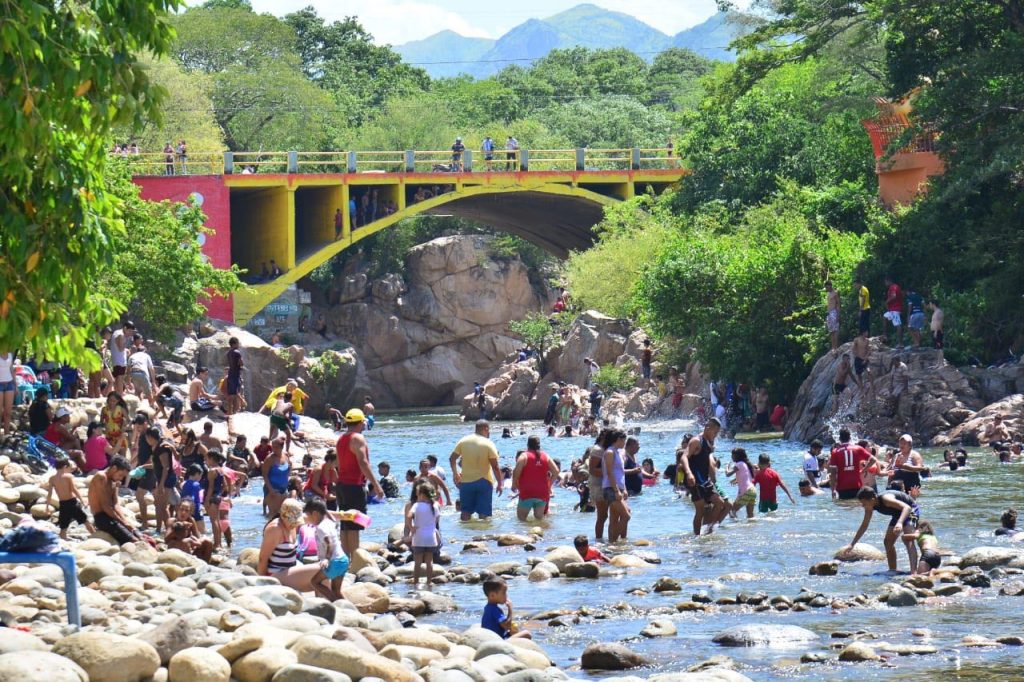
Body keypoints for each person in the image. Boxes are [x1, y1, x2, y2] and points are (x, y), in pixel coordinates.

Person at [335, 408, 384, 556]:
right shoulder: (358, 438)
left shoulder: (341, 438)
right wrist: (376, 485)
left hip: (341, 485)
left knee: (345, 523)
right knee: (354, 523)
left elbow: (338, 463)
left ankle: (345, 557)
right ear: (361, 422)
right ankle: (355, 557)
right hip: (354, 486)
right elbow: (363, 463)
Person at [258, 498, 332, 594]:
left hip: (288, 573)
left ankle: (324, 604)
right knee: (322, 570)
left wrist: (346, 516)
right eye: (292, 521)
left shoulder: (291, 524)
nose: (295, 524)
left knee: (323, 567)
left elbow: (319, 515)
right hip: (274, 576)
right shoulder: (275, 529)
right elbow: (262, 559)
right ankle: (329, 603)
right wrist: (262, 584)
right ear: (283, 516)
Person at [844, 486, 920, 572]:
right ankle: (892, 571)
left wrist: (899, 523)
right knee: (887, 542)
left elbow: (907, 508)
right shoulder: (870, 507)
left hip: (910, 509)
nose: (862, 506)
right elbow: (864, 525)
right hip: (897, 514)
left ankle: (914, 573)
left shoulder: (886, 499)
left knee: (908, 539)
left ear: (872, 499)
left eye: (864, 503)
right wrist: (852, 544)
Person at [680, 418, 728, 535]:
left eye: (717, 433)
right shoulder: (696, 441)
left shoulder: (709, 442)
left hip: (705, 480)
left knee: (720, 503)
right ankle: (697, 537)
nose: (716, 435)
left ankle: (708, 531)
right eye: (715, 432)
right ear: (707, 428)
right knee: (700, 510)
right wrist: (689, 473)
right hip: (694, 480)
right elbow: (684, 457)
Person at [88, 457, 151, 546]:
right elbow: (105, 506)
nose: (121, 479)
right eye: (120, 475)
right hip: (101, 517)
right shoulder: (101, 477)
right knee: (134, 541)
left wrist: (126, 521)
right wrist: (123, 522)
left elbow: (116, 504)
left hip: (112, 515)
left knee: (138, 534)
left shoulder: (114, 482)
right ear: (114, 468)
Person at [450, 420, 503, 521]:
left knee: (465, 513)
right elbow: (495, 466)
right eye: (488, 430)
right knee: (484, 515)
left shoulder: (463, 441)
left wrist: (455, 474)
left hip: (466, 483)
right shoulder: (489, 443)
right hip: (484, 482)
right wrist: (500, 483)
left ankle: (465, 535)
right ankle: (484, 535)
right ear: (486, 429)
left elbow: (452, 459)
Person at [303, 497, 348, 601]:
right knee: (336, 590)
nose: (307, 520)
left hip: (334, 561)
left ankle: (335, 604)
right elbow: (327, 513)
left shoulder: (320, 528)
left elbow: (330, 543)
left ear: (315, 514)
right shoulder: (330, 521)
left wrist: (326, 559)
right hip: (343, 560)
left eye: (308, 516)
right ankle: (349, 608)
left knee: (315, 582)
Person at [511, 436, 559, 522]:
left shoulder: (524, 456)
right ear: (539, 445)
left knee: (521, 520)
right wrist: (549, 485)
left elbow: (516, 471)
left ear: (528, 444)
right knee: (539, 520)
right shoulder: (546, 456)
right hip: (542, 493)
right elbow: (556, 471)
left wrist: (514, 484)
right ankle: (539, 534)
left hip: (527, 492)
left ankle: (526, 534)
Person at [46, 459, 95, 540]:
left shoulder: (52, 479)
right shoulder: (68, 476)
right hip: (72, 503)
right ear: (65, 467)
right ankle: (95, 536)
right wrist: (82, 501)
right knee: (85, 520)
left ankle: (63, 539)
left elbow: (49, 494)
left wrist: (47, 506)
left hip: (63, 504)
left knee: (63, 525)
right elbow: (74, 489)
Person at [408, 481, 442, 586]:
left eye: (418, 494)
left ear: (422, 495)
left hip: (418, 537)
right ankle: (429, 582)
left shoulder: (416, 505)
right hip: (431, 538)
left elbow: (409, 516)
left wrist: (411, 527)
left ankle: (416, 581)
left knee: (417, 562)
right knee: (429, 561)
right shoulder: (435, 506)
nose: (417, 496)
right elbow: (437, 519)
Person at [828, 428, 876, 500]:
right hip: (856, 485)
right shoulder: (858, 448)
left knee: (844, 508)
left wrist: (833, 490)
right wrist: (863, 470)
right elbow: (873, 460)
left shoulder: (835, 452)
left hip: (842, 487)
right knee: (855, 507)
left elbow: (833, 473)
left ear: (840, 439)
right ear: (850, 438)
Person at [601, 429, 631, 542]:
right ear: (619, 439)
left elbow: (621, 472)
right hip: (611, 488)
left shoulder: (618, 452)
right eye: (624, 440)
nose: (625, 443)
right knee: (626, 515)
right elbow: (609, 472)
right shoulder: (610, 452)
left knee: (614, 519)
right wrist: (616, 490)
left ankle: (618, 543)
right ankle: (613, 541)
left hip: (619, 487)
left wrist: (625, 489)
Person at [44, 407, 87, 471]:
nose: (69, 417)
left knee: (76, 441)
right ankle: (86, 468)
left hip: (54, 448)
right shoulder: (60, 426)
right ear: (62, 418)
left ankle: (79, 465)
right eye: (68, 416)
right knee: (79, 451)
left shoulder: (56, 425)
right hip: (55, 451)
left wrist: (74, 429)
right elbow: (71, 437)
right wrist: (75, 433)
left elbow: (67, 437)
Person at [261, 437, 292, 519]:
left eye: (276, 447)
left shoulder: (286, 456)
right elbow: (264, 475)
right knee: (273, 514)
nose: (274, 449)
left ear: (282, 447)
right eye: (273, 447)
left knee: (283, 514)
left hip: (283, 489)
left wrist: (287, 480)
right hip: (271, 489)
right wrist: (271, 490)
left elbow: (289, 468)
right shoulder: (269, 459)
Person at [727, 448, 757, 518]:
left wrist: (727, 467)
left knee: (732, 510)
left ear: (737, 456)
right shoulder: (745, 464)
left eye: (733, 455)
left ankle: (736, 527)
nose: (731, 456)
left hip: (746, 491)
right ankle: (751, 528)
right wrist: (736, 480)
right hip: (753, 490)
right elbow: (745, 476)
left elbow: (728, 474)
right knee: (750, 516)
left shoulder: (739, 464)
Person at [128, 343, 157, 409]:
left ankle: (138, 408)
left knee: (138, 392)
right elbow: (151, 369)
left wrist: (129, 381)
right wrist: (153, 382)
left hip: (134, 373)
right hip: (143, 373)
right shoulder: (146, 355)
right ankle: (153, 411)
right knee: (149, 394)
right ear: (144, 351)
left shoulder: (132, 356)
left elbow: (128, 370)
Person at [180, 464, 206, 534]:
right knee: (202, 531)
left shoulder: (184, 483)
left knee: (188, 530)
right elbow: (193, 498)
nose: (201, 477)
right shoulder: (196, 484)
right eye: (200, 475)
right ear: (197, 474)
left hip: (186, 509)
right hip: (196, 509)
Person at [109, 321, 133, 394]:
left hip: (116, 360)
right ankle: (120, 394)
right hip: (119, 361)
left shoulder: (117, 332)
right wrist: (126, 346)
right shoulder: (121, 335)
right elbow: (121, 348)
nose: (130, 333)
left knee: (117, 378)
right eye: (129, 331)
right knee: (120, 377)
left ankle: (117, 394)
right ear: (125, 328)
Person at [224, 337, 244, 423]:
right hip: (236, 375)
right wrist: (241, 365)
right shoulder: (237, 352)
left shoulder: (228, 353)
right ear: (234, 343)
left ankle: (229, 413)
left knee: (230, 395)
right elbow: (241, 363)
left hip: (230, 374)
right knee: (236, 394)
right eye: (238, 343)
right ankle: (235, 414)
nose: (239, 344)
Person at [852, 329, 873, 395]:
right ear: (863, 333)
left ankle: (872, 387)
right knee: (859, 375)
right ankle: (861, 390)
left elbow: (869, 350)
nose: (867, 333)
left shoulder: (867, 340)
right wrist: (857, 356)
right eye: (866, 332)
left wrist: (865, 359)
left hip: (865, 359)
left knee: (869, 371)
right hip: (858, 359)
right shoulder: (856, 340)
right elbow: (853, 349)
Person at [0, 352, 14, 435]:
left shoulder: (10, 354)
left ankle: (7, 435)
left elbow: (11, 369)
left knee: (8, 412)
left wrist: (15, 384)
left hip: (9, 383)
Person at [825, 280, 841, 351]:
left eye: (827, 286)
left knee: (835, 330)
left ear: (830, 286)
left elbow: (838, 304)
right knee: (831, 331)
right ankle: (833, 347)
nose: (826, 288)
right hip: (829, 313)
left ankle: (836, 347)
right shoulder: (828, 294)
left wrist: (838, 315)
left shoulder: (835, 293)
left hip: (834, 312)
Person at [927, 300, 944, 364]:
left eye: (930, 304)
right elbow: (934, 322)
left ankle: (941, 363)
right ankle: (938, 363)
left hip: (938, 331)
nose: (930, 306)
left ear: (933, 304)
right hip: (934, 331)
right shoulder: (935, 312)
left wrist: (936, 331)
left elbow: (939, 323)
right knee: (937, 348)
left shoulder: (939, 312)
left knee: (940, 348)